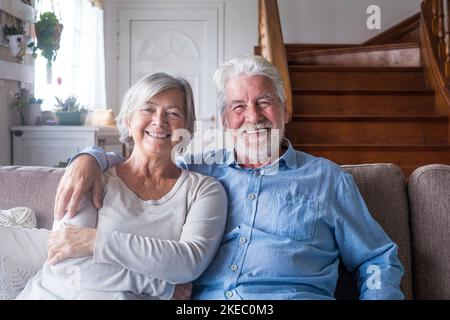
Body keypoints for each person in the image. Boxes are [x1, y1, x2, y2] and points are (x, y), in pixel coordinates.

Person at [52, 55, 404, 300]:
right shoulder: (198, 172)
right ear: (224, 120)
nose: (253, 117)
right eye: (238, 107)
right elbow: (144, 162)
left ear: (284, 110)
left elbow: (378, 258)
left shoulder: (326, 178)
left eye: (264, 102)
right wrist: (90, 157)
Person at [17, 72, 227, 299]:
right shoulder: (91, 176)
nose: (160, 121)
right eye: (148, 109)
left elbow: (187, 263)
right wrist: (162, 286)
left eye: (173, 113)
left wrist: (94, 241)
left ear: (187, 128)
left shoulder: (204, 190)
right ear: (128, 120)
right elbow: (67, 266)